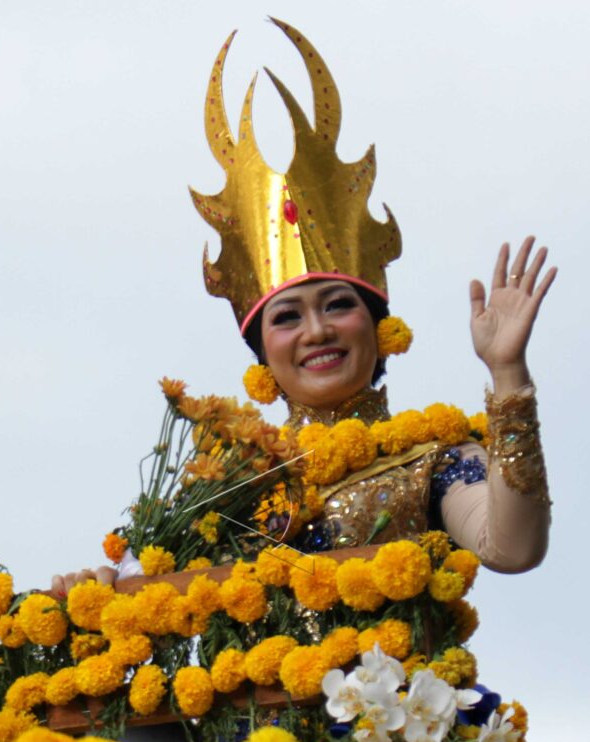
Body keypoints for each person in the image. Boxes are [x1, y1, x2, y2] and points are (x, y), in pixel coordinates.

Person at [50, 19, 555, 595]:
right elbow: (140, 587)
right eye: (287, 317)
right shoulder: (226, 494)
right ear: (262, 353)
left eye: (337, 306)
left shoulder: (432, 458)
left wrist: (507, 373)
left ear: (378, 326)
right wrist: (93, 590)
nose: (316, 331)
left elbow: (511, 548)